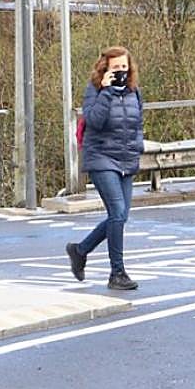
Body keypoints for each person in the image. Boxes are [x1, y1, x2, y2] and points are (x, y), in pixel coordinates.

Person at [66, 46, 144, 290]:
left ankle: (80, 250)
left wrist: (138, 148)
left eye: (124, 67)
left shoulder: (134, 91)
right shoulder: (95, 90)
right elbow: (95, 121)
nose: (121, 72)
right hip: (101, 157)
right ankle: (117, 273)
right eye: (115, 68)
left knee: (119, 217)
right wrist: (107, 90)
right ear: (105, 69)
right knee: (118, 213)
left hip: (126, 159)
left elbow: (137, 124)